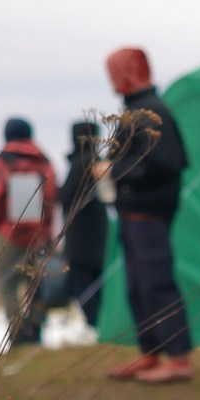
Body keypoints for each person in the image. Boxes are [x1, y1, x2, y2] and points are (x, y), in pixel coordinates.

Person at [104, 46, 194, 383]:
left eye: (115, 70)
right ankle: (151, 353)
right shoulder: (135, 112)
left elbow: (163, 163)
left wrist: (114, 171)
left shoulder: (153, 112)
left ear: (129, 72)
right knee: (138, 286)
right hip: (132, 212)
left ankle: (179, 359)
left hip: (149, 212)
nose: (111, 79)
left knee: (157, 284)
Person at [0, 117, 57, 350]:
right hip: (38, 234)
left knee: (7, 284)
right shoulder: (44, 161)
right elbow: (51, 196)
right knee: (35, 282)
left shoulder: (1, 161)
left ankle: (17, 334)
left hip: (9, 233)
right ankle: (35, 330)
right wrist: (48, 229)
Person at [56, 119, 111, 328]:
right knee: (97, 281)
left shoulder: (80, 163)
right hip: (100, 233)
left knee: (82, 281)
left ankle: (94, 322)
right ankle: (99, 321)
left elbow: (67, 196)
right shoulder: (99, 162)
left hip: (80, 237)